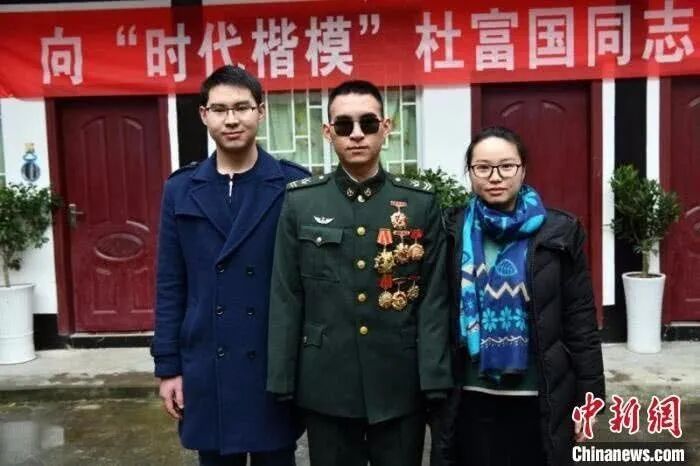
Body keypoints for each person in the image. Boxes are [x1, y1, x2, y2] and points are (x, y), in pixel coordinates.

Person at [266, 80, 453, 466]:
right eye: (344, 124)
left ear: (386, 128)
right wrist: (282, 379)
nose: (356, 134)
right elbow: (286, 295)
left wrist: (433, 378)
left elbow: (434, 299)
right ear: (327, 132)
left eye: (368, 123)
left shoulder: (419, 203)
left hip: (399, 381)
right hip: (326, 384)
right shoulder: (302, 202)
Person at [151, 65, 309, 466]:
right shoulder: (181, 189)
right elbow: (171, 284)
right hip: (207, 361)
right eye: (220, 109)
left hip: (272, 363)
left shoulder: (293, 186)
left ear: (261, 111)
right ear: (204, 115)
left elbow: (309, 283)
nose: (232, 119)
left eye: (242, 107)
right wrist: (168, 368)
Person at [438, 126, 605, 465]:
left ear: (523, 169)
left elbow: (580, 321)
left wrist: (590, 400)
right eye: (483, 167)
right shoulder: (450, 230)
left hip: (539, 395)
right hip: (469, 396)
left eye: (506, 166)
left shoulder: (560, 231)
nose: (495, 176)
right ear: (470, 172)